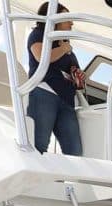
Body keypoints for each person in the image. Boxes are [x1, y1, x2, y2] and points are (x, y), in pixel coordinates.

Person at [26, 2, 83, 155]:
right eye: (67, 18)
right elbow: (40, 57)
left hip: (67, 100)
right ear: (54, 18)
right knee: (39, 146)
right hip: (44, 93)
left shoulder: (67, 46)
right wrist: (63, 49)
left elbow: (74, 76)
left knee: (75, 152)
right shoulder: (38, 34)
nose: (71, 22)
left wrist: (79, 77)